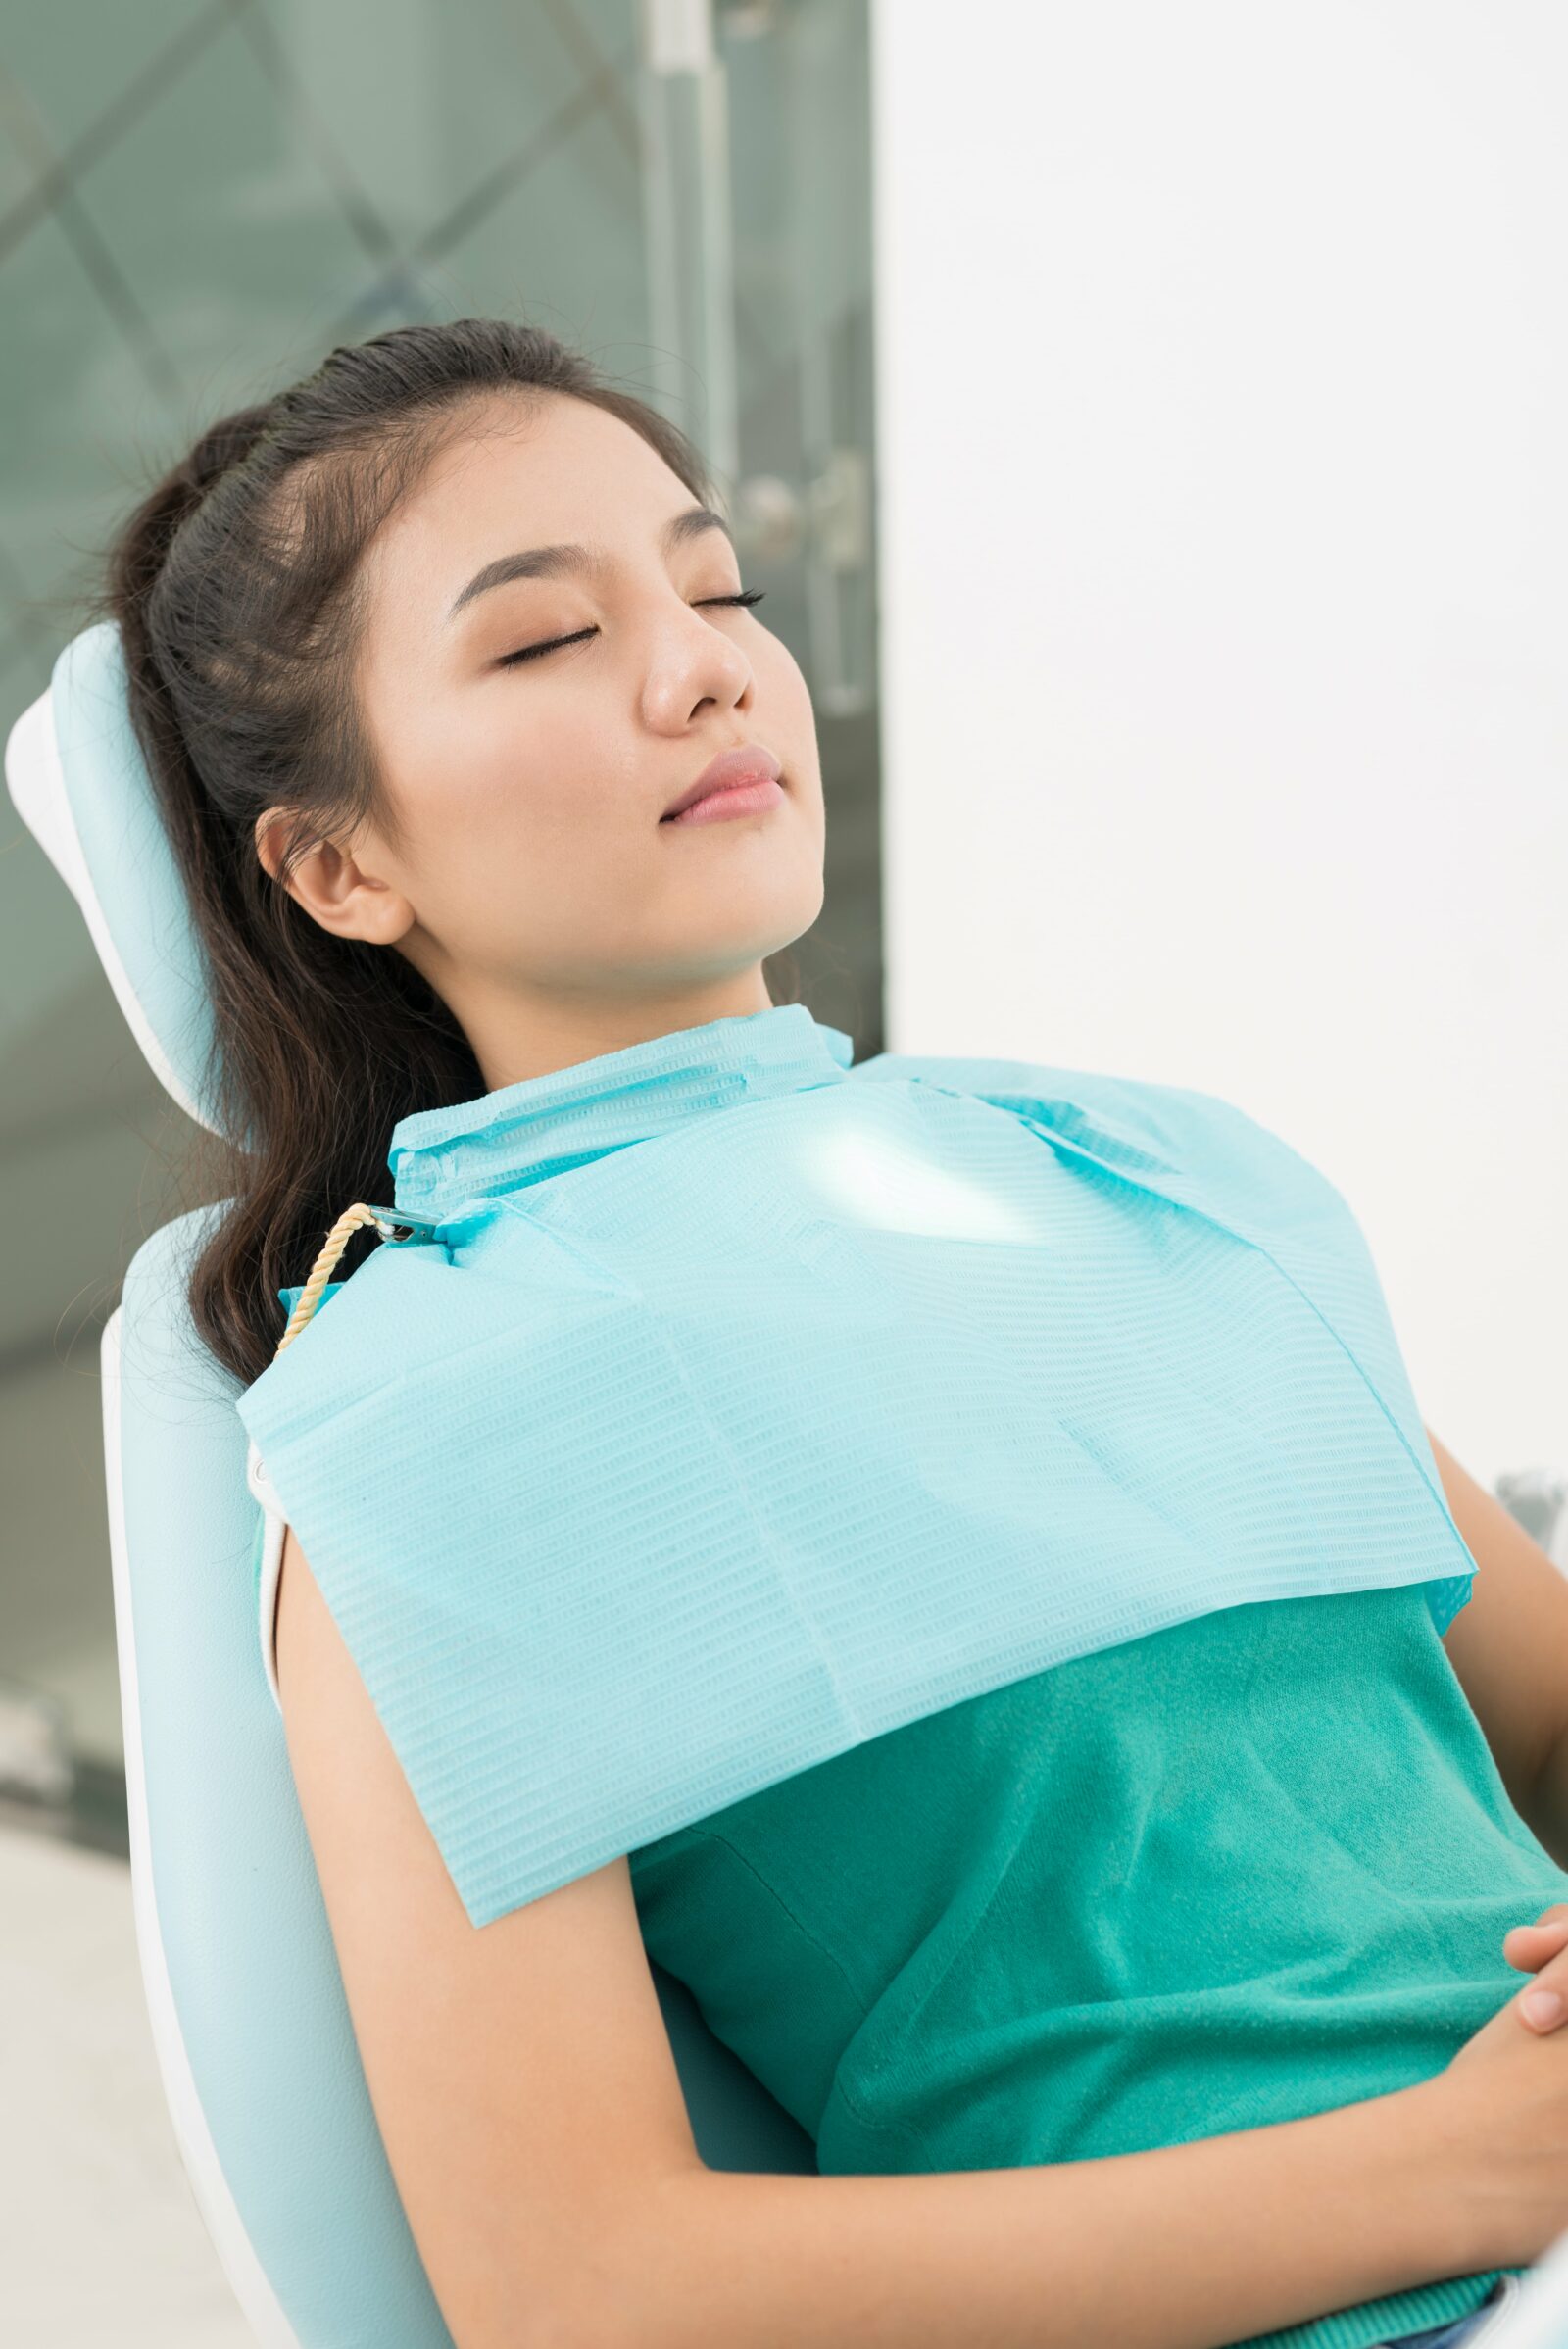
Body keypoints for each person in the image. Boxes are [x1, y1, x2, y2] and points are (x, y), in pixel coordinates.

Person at [96, 317, 1568, 2349]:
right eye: (539, 641)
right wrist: (1460, 2163)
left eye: (721, 592)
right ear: (339, 862)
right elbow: (582, 2284)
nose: (702, 664)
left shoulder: (1114, 1167)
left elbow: (1536, 1702)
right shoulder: (435, 1415)